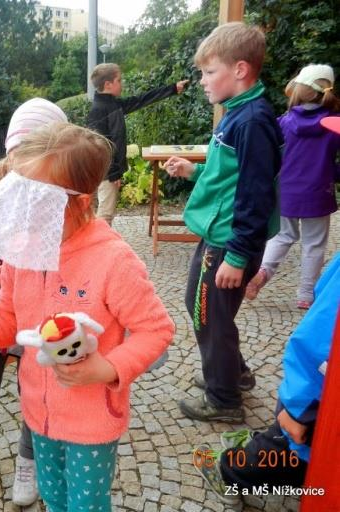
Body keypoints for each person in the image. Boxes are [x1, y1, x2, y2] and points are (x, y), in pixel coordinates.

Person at [0, 122, 175, 512]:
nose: (26, 213)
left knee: (85, 506)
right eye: (21, 197)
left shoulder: (113, 260)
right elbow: (8, 324)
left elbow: (157, 330)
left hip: (92, 423)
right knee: (53, 498)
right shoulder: (25, 251)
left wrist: (108, 368)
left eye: (39, 202)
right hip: (39, 415)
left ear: (80, 202)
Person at [164, 22, 284, 423]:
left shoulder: (251, 121)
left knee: (207, 314)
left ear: (240, 69)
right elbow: (230, 180)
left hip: (228, 242)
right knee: (203, 309)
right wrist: (192, 172)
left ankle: (224, 399)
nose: (201, 81)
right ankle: (236, 374)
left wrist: (237, 255)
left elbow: (255, 194)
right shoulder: (238, 115)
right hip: (220, 234)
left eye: (208, 71)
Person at [0, 98, 67, 507]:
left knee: (33, 392)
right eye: (23, 152)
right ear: (10, 150)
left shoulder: (58, 200)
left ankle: (28, 459)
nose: (28, 165)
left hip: (34, 315)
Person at [193, 249, 340, 506]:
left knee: (291, 449)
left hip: (323, 414)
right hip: (321, 405)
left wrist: (298, 410)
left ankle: (227, 473)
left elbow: (321, 339)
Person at [245, 64, 340, 309]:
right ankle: (306, 296)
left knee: (282, 236)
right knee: (314, 244)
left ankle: (263, 272)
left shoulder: (283, 123)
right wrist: (332, 173)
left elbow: (271, 153)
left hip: (286, 191)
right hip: (319, 193)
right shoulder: (334, 125)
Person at [87, 63, 189, 224]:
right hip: (105, 171)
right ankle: (100, 247)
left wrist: (172, 89)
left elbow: (141, 100)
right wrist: (113, 172)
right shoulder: (98, 110)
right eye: (119, 80)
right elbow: (99, 144)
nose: (122, 84)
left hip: (108, 171)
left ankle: (101, 245)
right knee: (105, 215)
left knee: (106, 213)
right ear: (108, 84)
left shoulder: (113, 104)